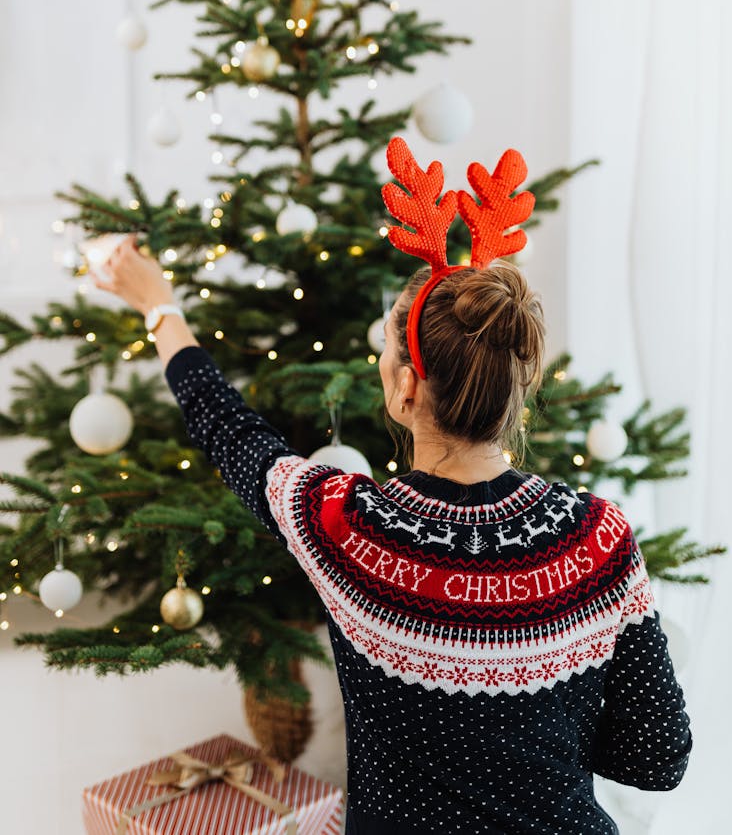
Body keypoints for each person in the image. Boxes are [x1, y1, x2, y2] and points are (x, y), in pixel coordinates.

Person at [90, 183, 692, 834]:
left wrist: (159, 306)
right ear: (518, 386)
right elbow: (658, 758)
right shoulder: (599, 537)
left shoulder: (346, 525)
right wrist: (545, 728)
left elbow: (228, 429)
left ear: (407, 386)